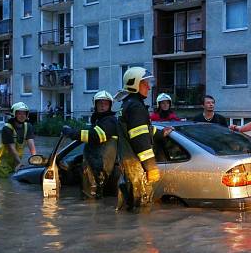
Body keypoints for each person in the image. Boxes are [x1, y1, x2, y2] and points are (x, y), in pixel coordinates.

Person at [116, 67, 172, 211]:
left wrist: (160, 133)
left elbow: (141, 130)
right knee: (141, 210)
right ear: (134, 84)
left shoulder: (129, 104)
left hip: (129, 164)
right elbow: (140, 140)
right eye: (144, 83)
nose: (148, 86)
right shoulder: (136, 107)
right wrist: (151, 167)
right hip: (136, 166)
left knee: (132, 209)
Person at [62, 91, 119, 199]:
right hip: (95, 167)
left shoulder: (110, 121)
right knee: (91, 203)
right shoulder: (100, 121)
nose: (102, 106)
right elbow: (90, 134)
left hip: (99, 169)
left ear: (110, 106)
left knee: (90, 202)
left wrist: (72, 133)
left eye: (105, 104)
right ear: (95, 105)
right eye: (100, 103)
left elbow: (96, 136)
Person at [0, 102, 37, 177]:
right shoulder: (7, 128)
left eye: (24, 114)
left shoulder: (28, 126)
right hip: (3, 162)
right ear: (14, 114)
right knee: (6, 183)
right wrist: (19, 163)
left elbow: (31, 145)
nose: (22, 116)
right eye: (19, 114)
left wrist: (35, 159)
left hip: (16, 161)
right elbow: (11, 148)